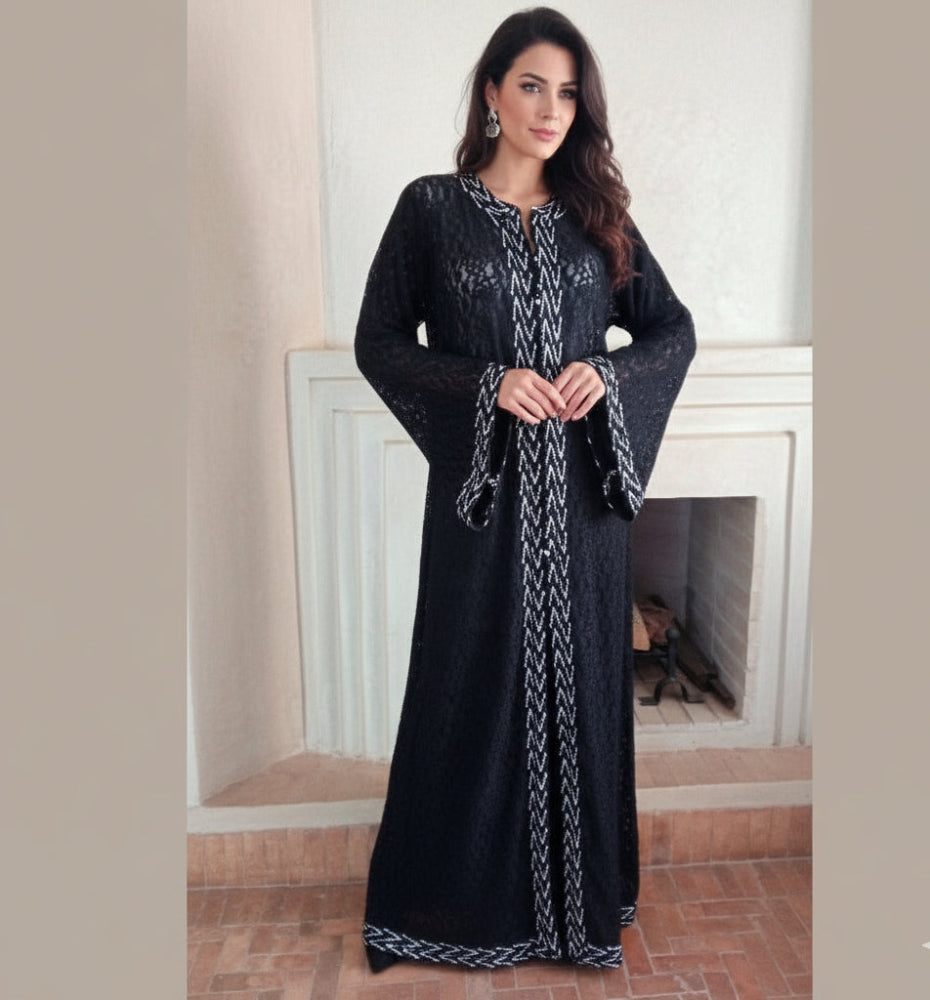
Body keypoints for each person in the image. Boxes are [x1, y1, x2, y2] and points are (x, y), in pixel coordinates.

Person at [354, 6, 695, 973]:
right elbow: (379, 343)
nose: (553, 109)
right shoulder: (431, 209)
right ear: (494, 92)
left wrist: (609, 376)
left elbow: (671, 330)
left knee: (583, 691)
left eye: (570, 91)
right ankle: (460, 909)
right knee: (471, 688)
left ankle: (571, 912)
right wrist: (484, 384)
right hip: (484, 509)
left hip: (583, 519)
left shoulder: (600, 218)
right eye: (534, 85)